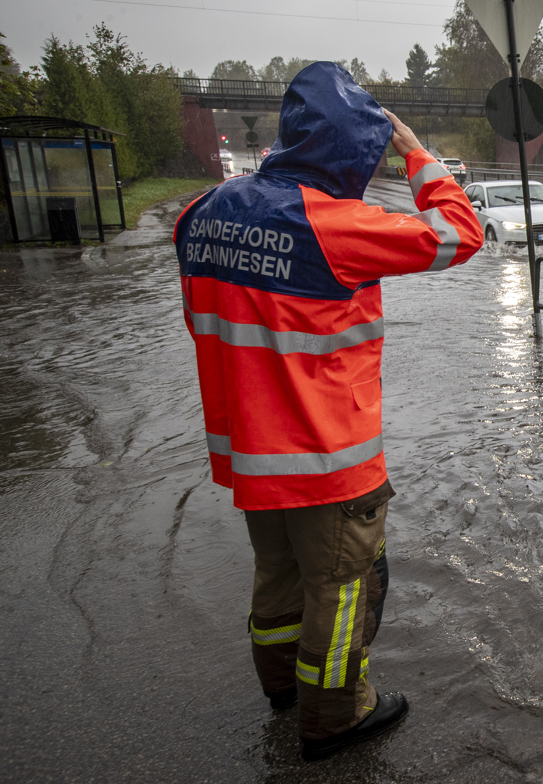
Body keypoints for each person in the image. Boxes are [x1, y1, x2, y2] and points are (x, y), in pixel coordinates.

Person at [173, 63, 483, 761]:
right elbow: (460, 233)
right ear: (349, 150)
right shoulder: (338, 225)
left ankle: (283, 688)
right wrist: (413, 149)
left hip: (249, 453)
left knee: (277, 577)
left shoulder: (202, 211)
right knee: (344, 590)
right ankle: (335, 716)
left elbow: (208, 315)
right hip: (328, 458)